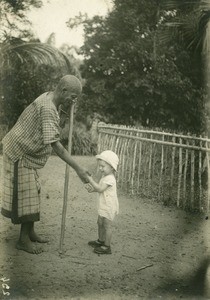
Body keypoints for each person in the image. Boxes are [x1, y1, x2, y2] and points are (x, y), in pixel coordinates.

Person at [1, 75, 89, 254]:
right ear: (63, 90)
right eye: (73, 96)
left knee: (35, 190)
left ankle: (30, 232)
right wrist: (78, 168)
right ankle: (23, 240)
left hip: (26, 150)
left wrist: (68, 107)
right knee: (28, 195)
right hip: (19, 151)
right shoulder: (47, 107)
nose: (74, 100)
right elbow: (55, 144)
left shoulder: (51, 97)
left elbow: (56, 125)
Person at [85, 150, 119, 255]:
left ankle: (107, 246)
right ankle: (100, 240)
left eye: (103, 166)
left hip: (109, 206)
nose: (100, 168)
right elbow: (101, 189)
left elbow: (100, 188)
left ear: (112, 167)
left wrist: (90, 179)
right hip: (103, 205)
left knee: (107, 225)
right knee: (100, 222)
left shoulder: (110, 179)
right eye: (99, 166)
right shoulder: (105, 177)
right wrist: (92, 189)